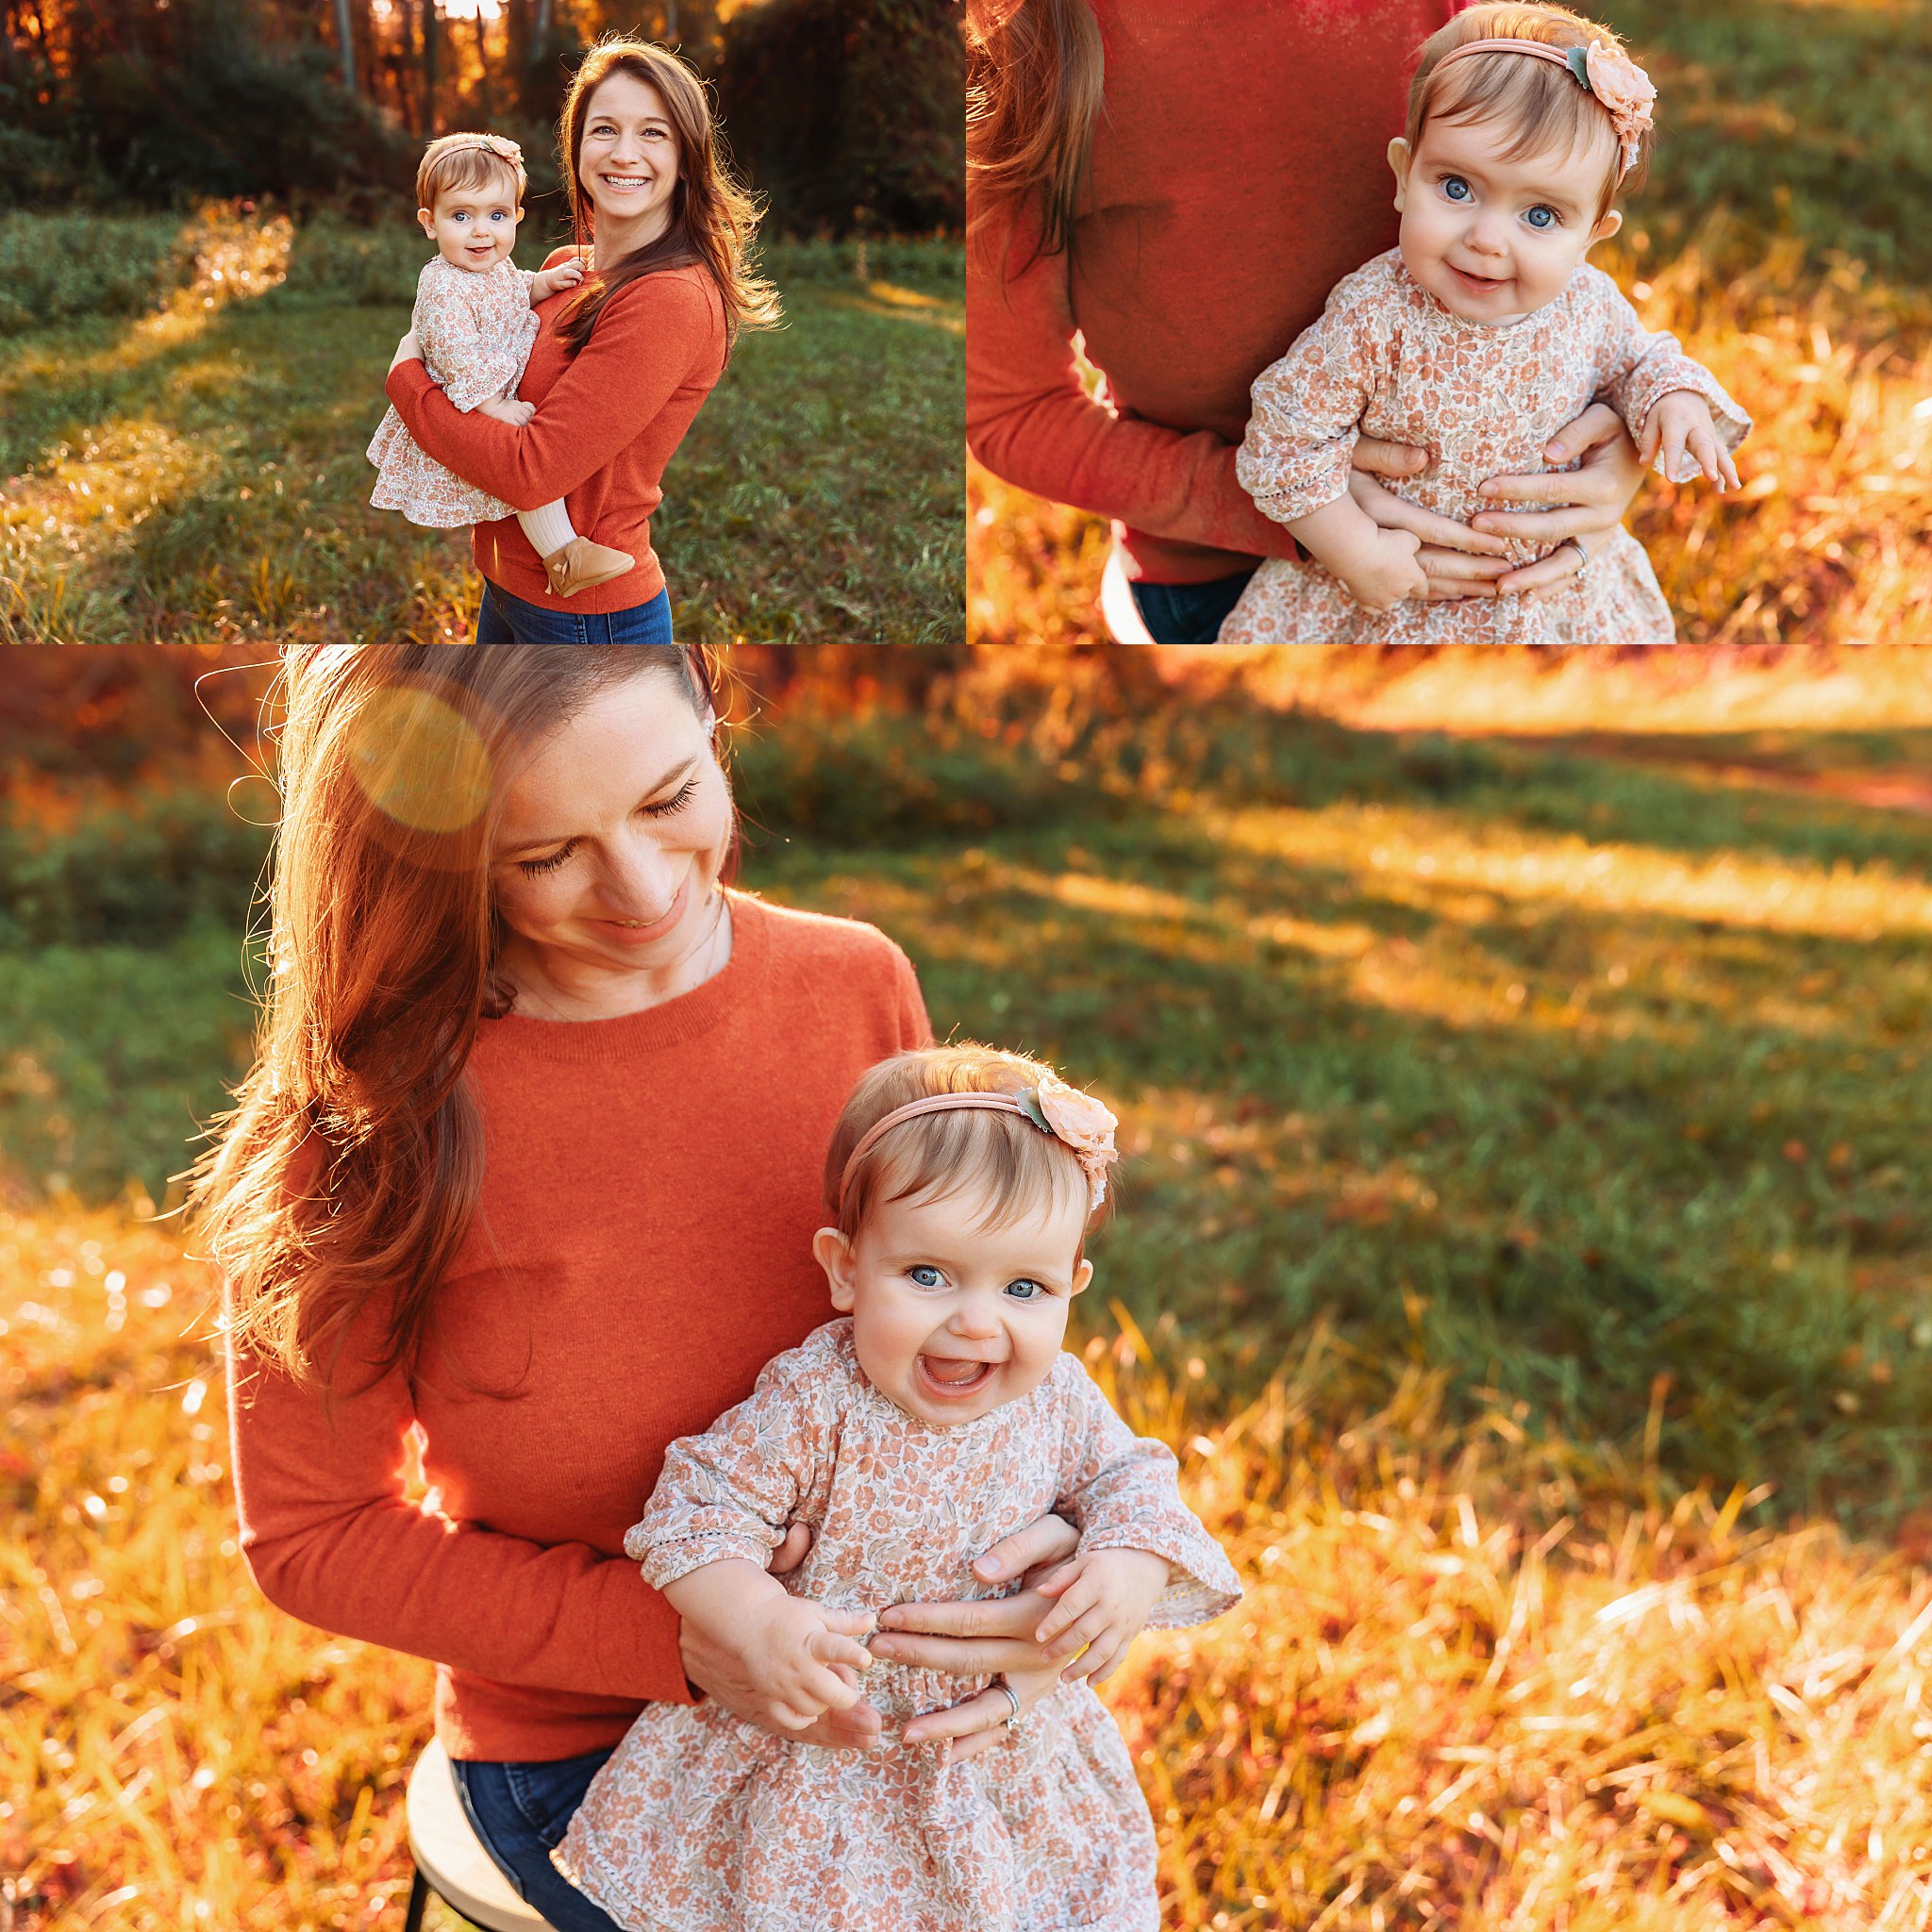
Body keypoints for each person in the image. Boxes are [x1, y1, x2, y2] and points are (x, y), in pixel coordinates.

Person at [199, 647, 1092, 1932]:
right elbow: (312, 1536)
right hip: (592, 1746)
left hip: (898, 1699)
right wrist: (677, 1639)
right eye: (545, 855)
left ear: (715, 730)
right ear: (437, 860)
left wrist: (1063, 1554)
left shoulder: (855, 984)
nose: (641, 891)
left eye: (669, 799)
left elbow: (973, 1304)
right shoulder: (372, 1113)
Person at [552, 1045, 1242, 1932]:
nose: (977, 1320)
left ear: (1073, 1287)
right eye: (927, 1275)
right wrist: (756, 1619)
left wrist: (1131, 1560)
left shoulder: (1061, 1400)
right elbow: (694, 1510)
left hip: (995, 1766)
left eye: (1025, 1286)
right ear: (844, 1269)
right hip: (815, 1764)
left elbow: (1136, 1479)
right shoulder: (817, 1399)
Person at [966, 0, 1656, 643]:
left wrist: (1617, 450)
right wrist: (1298, 509)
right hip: (1229, 565)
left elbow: (1542, 183)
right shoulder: (1034, 36)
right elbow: (1011, 411)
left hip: (1511, 548)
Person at [1221, 2, 1749, 645]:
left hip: (1549, 594)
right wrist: (1355, 551)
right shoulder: (1375, 315)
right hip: (1393, 594)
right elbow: (1284, 439)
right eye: (1456, 187)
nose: (1487, 238)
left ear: (1592, 237)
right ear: (1403, 176)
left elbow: (1640, 363)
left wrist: (1674, 397)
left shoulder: (1586, 304)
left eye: (1541, 215)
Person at [382, 39, 780, 642]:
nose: (624, 153)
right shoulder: (566, 269)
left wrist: (408, 381)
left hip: (588, 619)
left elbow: (528, 472)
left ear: (687, 157)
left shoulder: (668, 298)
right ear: (576, 148)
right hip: (505, 588)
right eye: (604, 130)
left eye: (653, 132)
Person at [367, 131, 637, 599]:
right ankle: (564, 555)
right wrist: (493, 405)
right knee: (524, 464)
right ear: (430, 223)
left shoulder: (495, 268)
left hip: (491, 386)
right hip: (469, 397)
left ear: (517, 216)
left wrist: (545, 282)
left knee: (528, 473)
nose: (481, 232)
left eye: (496, 215)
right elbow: (454, 354)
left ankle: (562, 554)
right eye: (460, 216)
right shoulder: (442, 286)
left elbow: (513, 292)